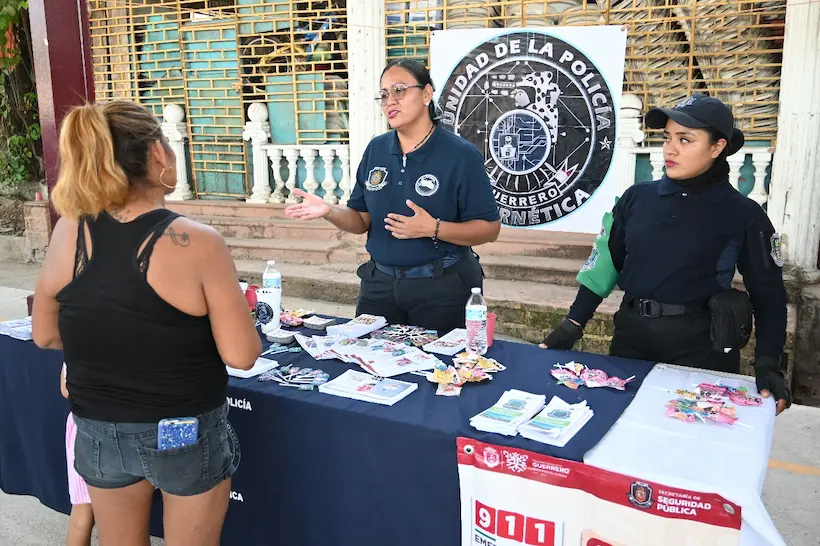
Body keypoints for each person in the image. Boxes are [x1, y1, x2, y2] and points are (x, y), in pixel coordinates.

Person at [32, 100, 262, 546]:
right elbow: (242, 354)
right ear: (158, 153)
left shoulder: (69, 231)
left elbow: (45, 334)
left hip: (99, 428)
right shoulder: (197, 241)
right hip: (183, 430)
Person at [539, 94, 791, 414]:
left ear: (717, 147)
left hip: (702, 351)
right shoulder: (636, 199)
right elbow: (605, 264)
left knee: (689, 448)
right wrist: (572, 324)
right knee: (619, 432)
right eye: (668, 137)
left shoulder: (744, 215)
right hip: (631, 340)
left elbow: (770, 297)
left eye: (685, 140)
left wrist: (768, 363)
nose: (670, 149)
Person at [285, 58, 501, 334]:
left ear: (426, 94)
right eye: (384, 94)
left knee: (437, 372)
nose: (390, 101)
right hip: (379, 287)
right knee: (367, 366)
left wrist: (433, 228)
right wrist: (329, 210)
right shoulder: (377, 149)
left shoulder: (460, 154)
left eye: (399, 90)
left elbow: (489, 229)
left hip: (441, 289)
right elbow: (360, 219)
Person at [61, 364, 94, 546]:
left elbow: (66, 390)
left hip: (85, 426)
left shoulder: (78, 338)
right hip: (136, 426)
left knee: (83, 509)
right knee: (125, 514)